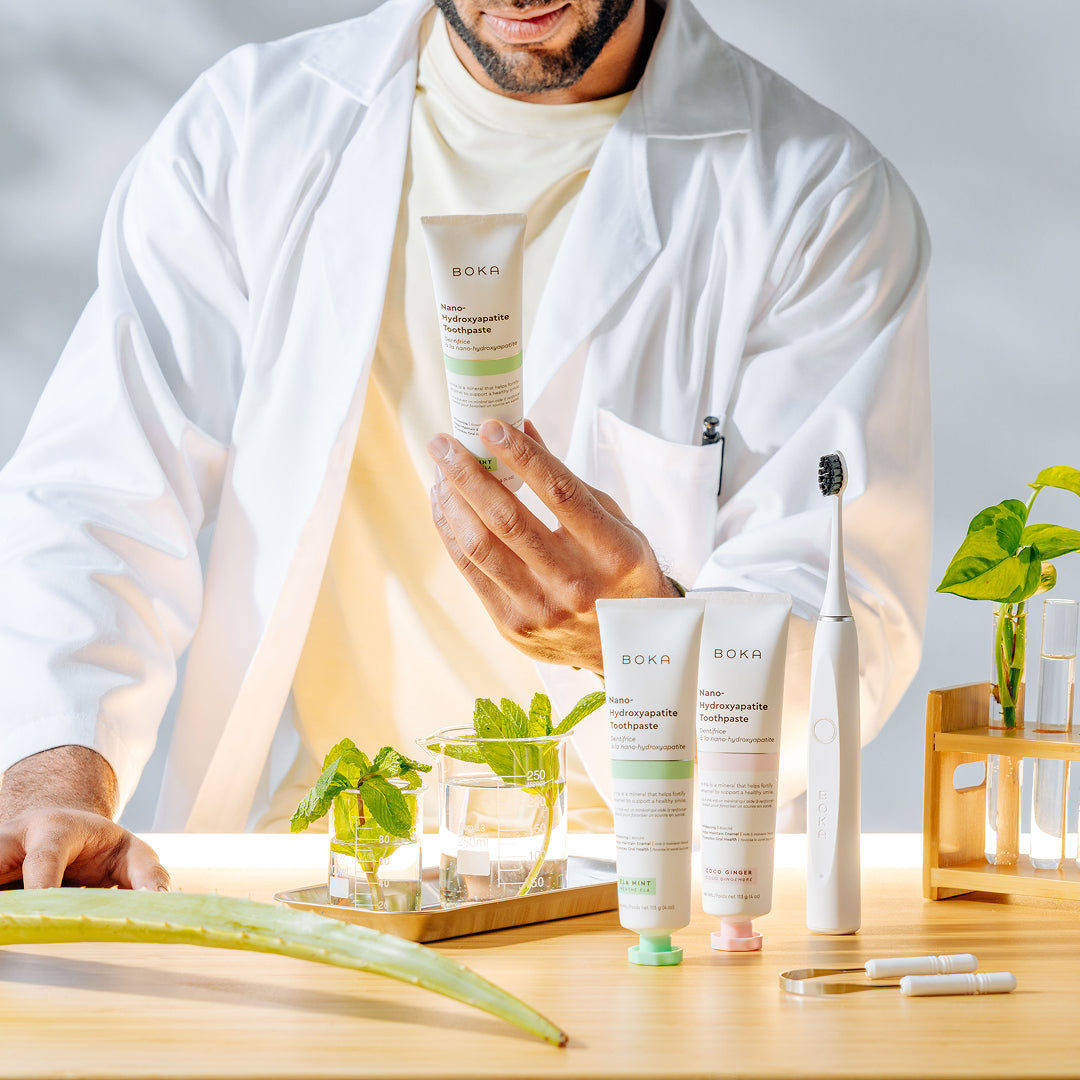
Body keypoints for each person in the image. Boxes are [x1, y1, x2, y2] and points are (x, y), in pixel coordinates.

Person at [0, 0, 931, 891]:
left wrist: (639, 631)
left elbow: (850, 621)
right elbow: (100, 487)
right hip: (331, 866)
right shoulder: (252, 130)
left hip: (634, 891)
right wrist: (54, 781)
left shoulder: (815, 199)